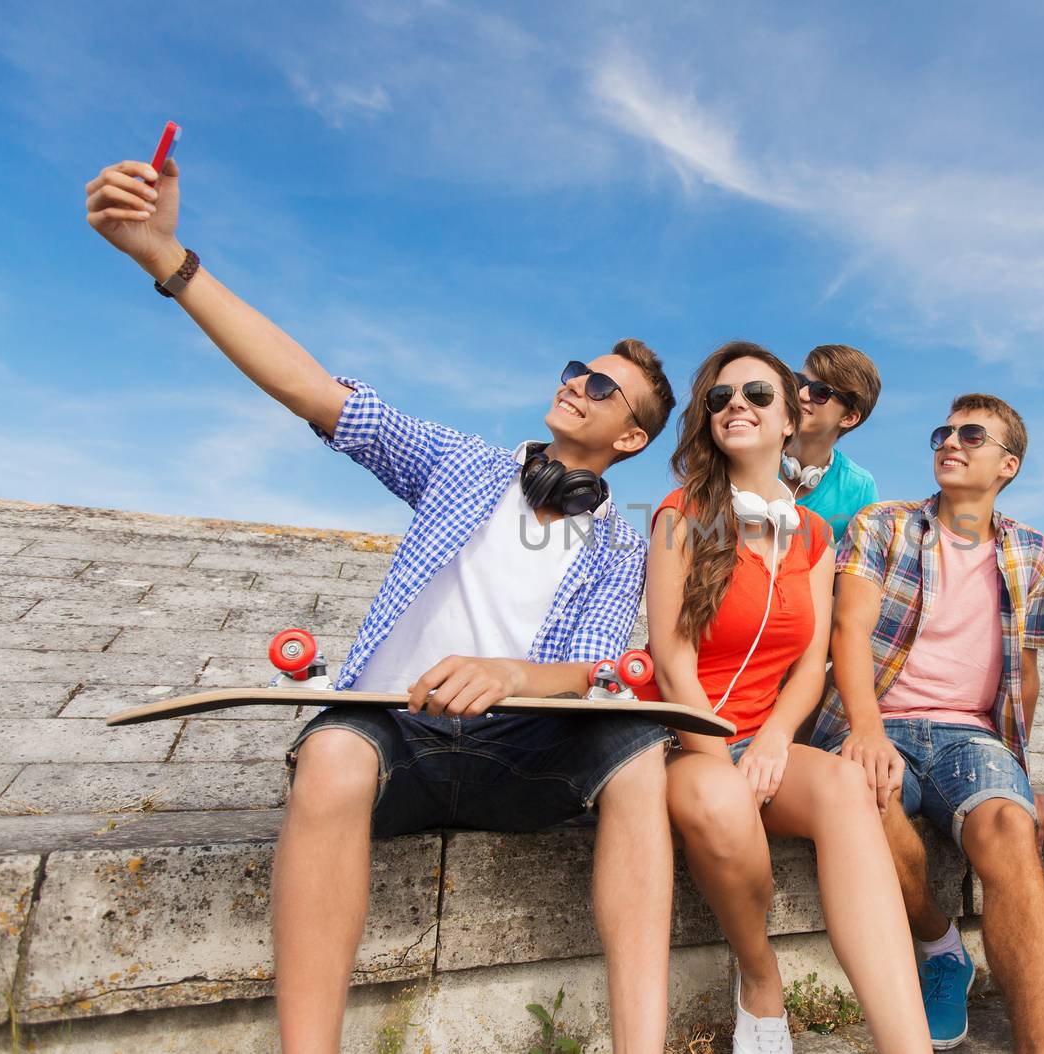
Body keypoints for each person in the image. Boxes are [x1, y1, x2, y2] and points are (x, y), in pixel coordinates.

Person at [84, 156, 680, 1054]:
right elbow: (312, 389)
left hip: (521, 749)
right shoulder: (460, 465)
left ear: (630, 436)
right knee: (328, 755)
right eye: (575, 370)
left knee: (640, 756)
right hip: (394, 728)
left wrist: (512, 672)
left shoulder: (619, 542)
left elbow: (594, 666)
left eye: (602, 388)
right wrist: (168, 259)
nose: (576, 385)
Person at [646, 342, 930, 1053]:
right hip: (680, 740)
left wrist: (774, 741)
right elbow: (673, 662)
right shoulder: (680, 513)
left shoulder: (814, 533)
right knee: (718, 798)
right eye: (719, 397)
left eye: (757, 395)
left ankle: (908, 1043)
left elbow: (811, 666)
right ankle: (761, 978)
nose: (735, 404)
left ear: (786, 422)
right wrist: (721, 759)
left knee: (844, 783)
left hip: (762, 738)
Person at [815, 394, 1044, 1052]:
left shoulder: (1036, 554)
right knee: (863, 794)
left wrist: (1017, 769)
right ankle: (940, 946)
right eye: (943, 432)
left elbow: (1027, 672)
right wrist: (866, 731)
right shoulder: (884, 525)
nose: (949, 442)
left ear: (1007, 464)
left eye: (971, 435)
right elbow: (849, 629)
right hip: (875, 718)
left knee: (1012, 830)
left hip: (970, 737)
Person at [779, 344, 880, 544]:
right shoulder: (752, 452)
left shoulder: (860, 488)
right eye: (800, 382)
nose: (802, 395)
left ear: (849, 418)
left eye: (821, 392)